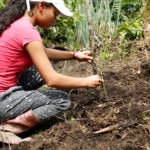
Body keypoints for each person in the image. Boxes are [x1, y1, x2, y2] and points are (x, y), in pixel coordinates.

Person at [0, 0, 103, 144]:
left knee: (45, 66)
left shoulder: (17, 23)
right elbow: (52, 80)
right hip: (3, 99)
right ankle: (6, 129)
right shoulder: (27, 30)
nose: (55, 20)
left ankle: (17, 106)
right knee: (61, 99)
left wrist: (74, 55)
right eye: (55, 14)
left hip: (6, 90)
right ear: (41, 6)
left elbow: (41, 52)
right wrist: (86, 82)